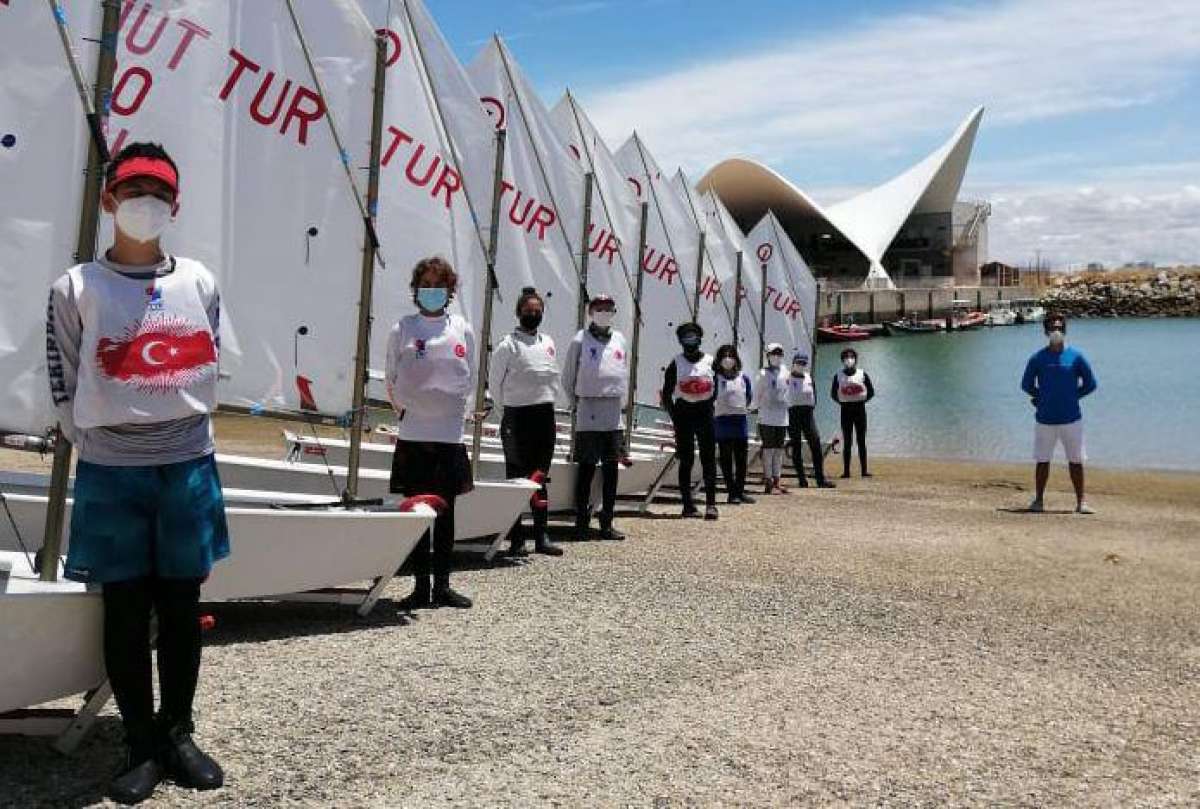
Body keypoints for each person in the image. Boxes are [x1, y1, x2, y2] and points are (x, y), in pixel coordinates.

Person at [46, 142, 226, 804]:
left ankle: (179, 732)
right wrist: (91, 434)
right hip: (112, 468)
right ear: (108, 199)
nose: (145, 202)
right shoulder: (76, 287)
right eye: (133, 190)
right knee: (124, 608)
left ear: (174, 204)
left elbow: (208, 355)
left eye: (157, 192)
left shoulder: (199, 281)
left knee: (182, 604)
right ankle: (139, 742)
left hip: (186, 462)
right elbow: (62, 371)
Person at [386, 256, 476, 610]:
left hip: (449, 438)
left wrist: (458, 414)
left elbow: (471, 377)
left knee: (446, 515)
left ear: (449, 291)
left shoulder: (462, 328)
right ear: (415, 290)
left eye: (440, 287)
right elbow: (390, 377)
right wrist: (405, 411)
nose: (433, 293)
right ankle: (419, 587)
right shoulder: (403, 328)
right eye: (426, 287)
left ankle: (443, 585)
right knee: (417, 514)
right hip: (414, 436)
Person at [491, 287, 563, 556]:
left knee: (540, 477)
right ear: (518, 312)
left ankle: (541, 535)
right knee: (516, 477)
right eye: (528, 310)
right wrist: (506, 413)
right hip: (516, 417)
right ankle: (516, 538)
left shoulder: (548, 342)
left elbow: (552, 377)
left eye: (537, 311)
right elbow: (494, 385)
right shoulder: (507, 345)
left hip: (544, 415)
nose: (533, 314)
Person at [561, 294, 627, 540]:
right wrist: (575, 401)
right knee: (587, 467)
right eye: (599, 308)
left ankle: (606, 522)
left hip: (612, 411)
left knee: (611, 469)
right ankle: (581, 522)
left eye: (609, 308)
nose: (604, 311)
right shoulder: (580, 339)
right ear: (590, 311)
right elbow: (568, 376)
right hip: (588, 408)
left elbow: (623, 370)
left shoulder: (620, 338)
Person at [1020, 312, 1098, 513]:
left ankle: (1081, 502)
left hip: (1071, 419)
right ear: (1046, 331)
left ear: (1065, 331)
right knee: (1042, 461)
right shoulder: (1037, 358)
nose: (1057, 331)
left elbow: (1091, 384)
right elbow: (1026, 384)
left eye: (1060, 328)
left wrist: (1073, 397)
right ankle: (1038, 501)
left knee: (1076, 461)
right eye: (1053, 328)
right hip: (1045, 420)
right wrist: (1039, 397)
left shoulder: (1076, 357)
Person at [661, 322, 719, 519]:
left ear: (700, 338)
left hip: (704, 413)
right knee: (686, 460)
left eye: (693, 336)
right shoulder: (675, 363)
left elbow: (717, 386)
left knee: (708, 459)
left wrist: (710, 404)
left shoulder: (711, 361)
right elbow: (666, 394)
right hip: (683, 413)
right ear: (680, 340)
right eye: (685, 336)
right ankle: (687, 505)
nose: (690, 340)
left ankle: (711, 504)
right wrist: (674, 416)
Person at [712, 344, 755, 504]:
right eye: (724, 356)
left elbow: (749, 397)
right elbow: (711, 398)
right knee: (726, 459)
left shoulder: (743, 378)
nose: (728, 359)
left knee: (742, 459)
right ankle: (731, 492)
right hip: (723, 421)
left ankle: (740, 490)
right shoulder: (716, 377)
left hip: (739, 421)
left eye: (731, 355)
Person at [786, 351, 835, 488]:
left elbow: (814, 395)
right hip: (792, 413)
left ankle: (820, 479)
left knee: (815, 443)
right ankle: (802, 479)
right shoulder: (787, 378)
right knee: (796, 446)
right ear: (793, 363)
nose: (801, 365)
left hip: (807, 413)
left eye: (803, 363)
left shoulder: (808, 377)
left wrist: (812, 407)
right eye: (798, 362)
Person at [752, 343, 791, 494]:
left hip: (782, 416)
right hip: (766, 416)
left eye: (779, 353)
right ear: (768, 356)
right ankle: (767, 479)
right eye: (773, 353)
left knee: (779, 450)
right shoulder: (762, 374)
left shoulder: (786, 372)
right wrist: (753, 408)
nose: (777, 356)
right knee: (768, 449)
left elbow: (790, 392)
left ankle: (777, 480)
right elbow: (757, 394)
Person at [831, 347, 875, 478]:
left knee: (861, 441)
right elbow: (833, 394)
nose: (849, 359)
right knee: (848, 441)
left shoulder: (862, 374)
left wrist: (860, 400)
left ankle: (864, 471)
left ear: (856, 359)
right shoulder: (838, 375)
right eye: (846, 357)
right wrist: (843, 402)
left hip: (860, 410)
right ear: (842, 360)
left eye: (851, 357)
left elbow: (871, 392)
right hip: (845, 411)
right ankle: (846, 471)